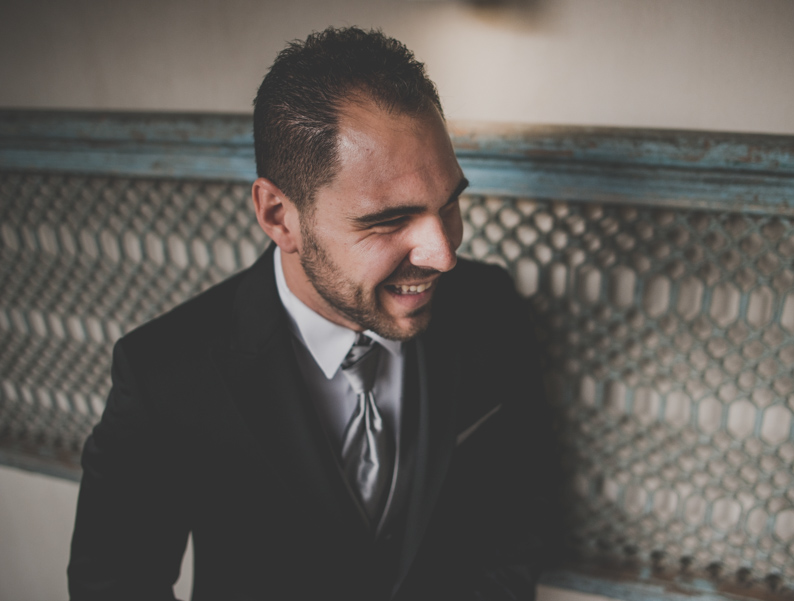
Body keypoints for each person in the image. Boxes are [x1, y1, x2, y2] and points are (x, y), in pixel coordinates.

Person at [68, 26, 554, 601]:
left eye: (449, 204)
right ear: (279, 216)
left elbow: (514, 522)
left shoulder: (489, 306)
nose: (443, 255)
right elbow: (114, 584)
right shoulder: (165, 374)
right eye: (388, 220)